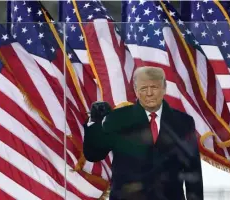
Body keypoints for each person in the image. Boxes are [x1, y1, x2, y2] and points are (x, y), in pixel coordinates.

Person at [83, 66, 203, 200]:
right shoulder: (117, 118)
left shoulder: (183, 122)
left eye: (154, 87)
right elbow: (93, 155)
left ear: (164, 88)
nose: (149, 93)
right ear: (135, 90)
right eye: (143, 88)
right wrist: (95, 123)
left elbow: (192, 169)